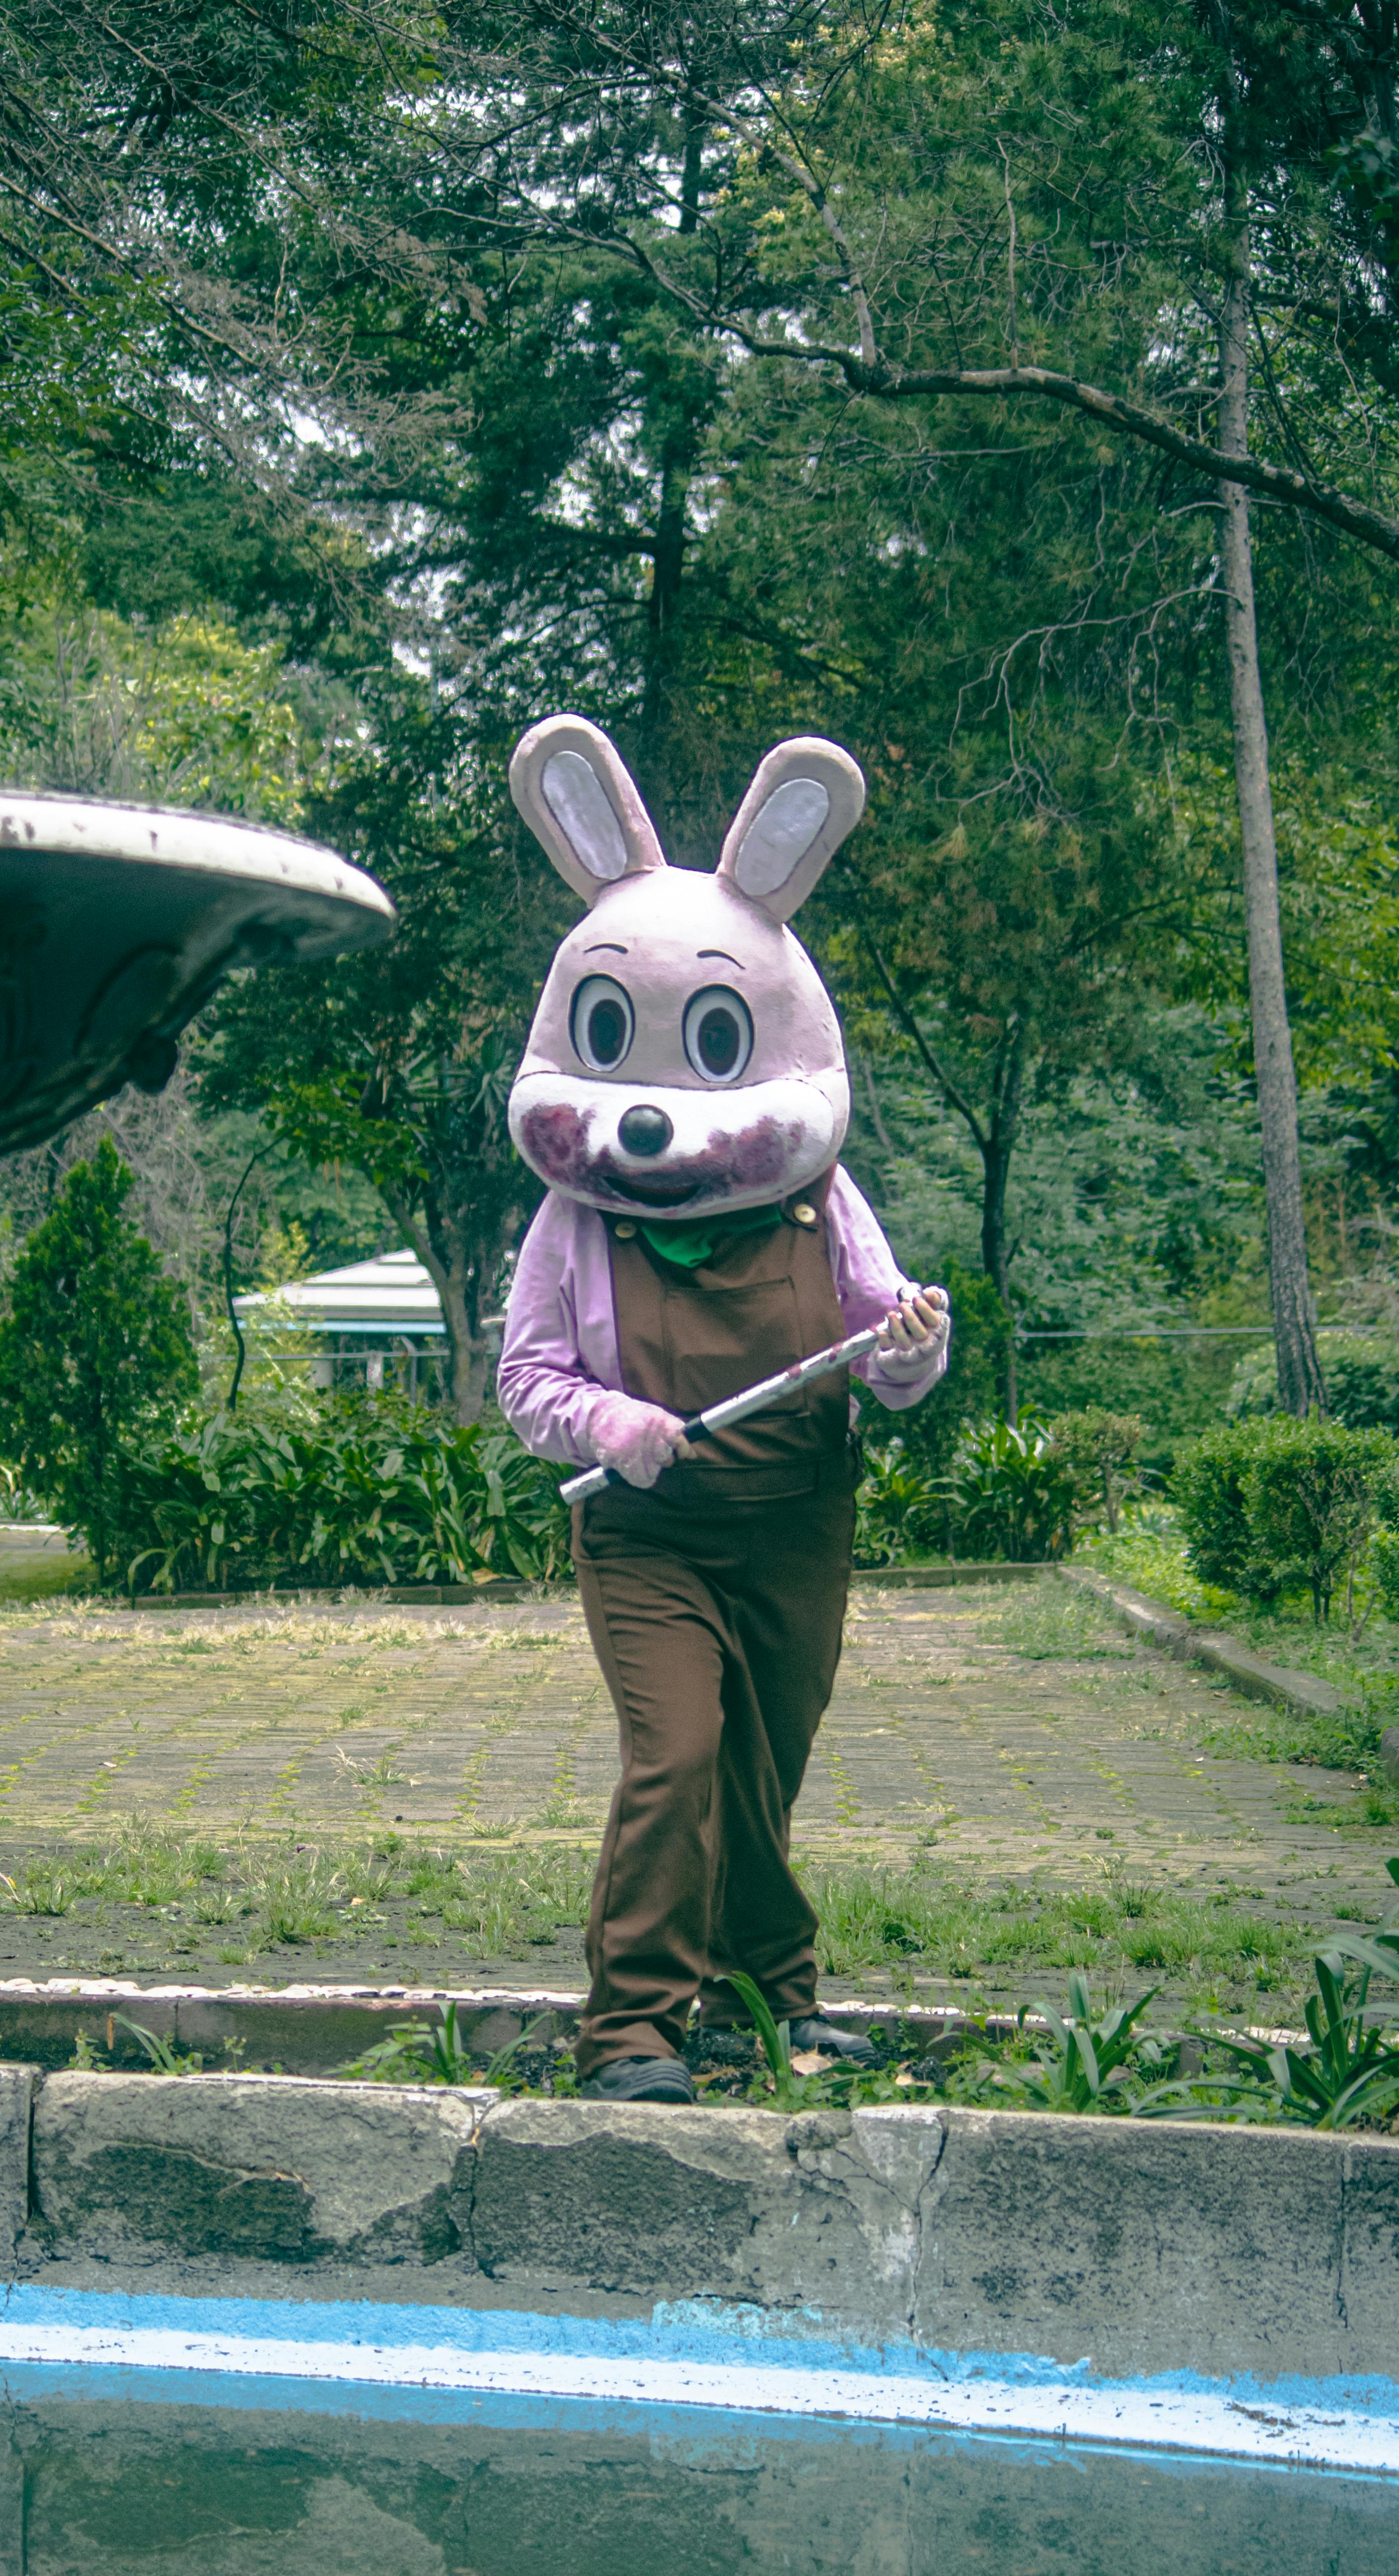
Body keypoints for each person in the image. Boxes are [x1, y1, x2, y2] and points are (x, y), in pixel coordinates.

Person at [495, 716, 948, 2104]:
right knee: (678, 1753)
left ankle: (772, 2003)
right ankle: (633, 2026)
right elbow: (526, 1384)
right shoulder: (574, 1221)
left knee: (758, 1769)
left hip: (801, 1522)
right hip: (651, 1540)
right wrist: (616, 1430)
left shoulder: (825, 1199)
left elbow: (883, 1349)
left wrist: (915, 1346)